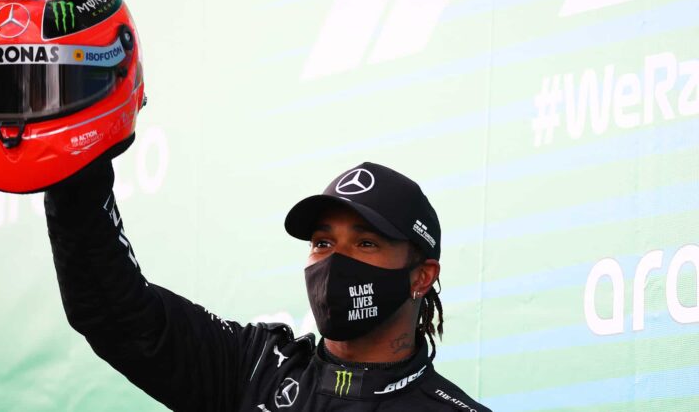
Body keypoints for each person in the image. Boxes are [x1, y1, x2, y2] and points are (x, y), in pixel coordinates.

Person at [45, 159, 491, 411]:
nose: (336, 260)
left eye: (366, 243)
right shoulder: (254, 367)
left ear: (421, 276)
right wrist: (76, 165)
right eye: (322, 242)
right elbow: (116, 315)